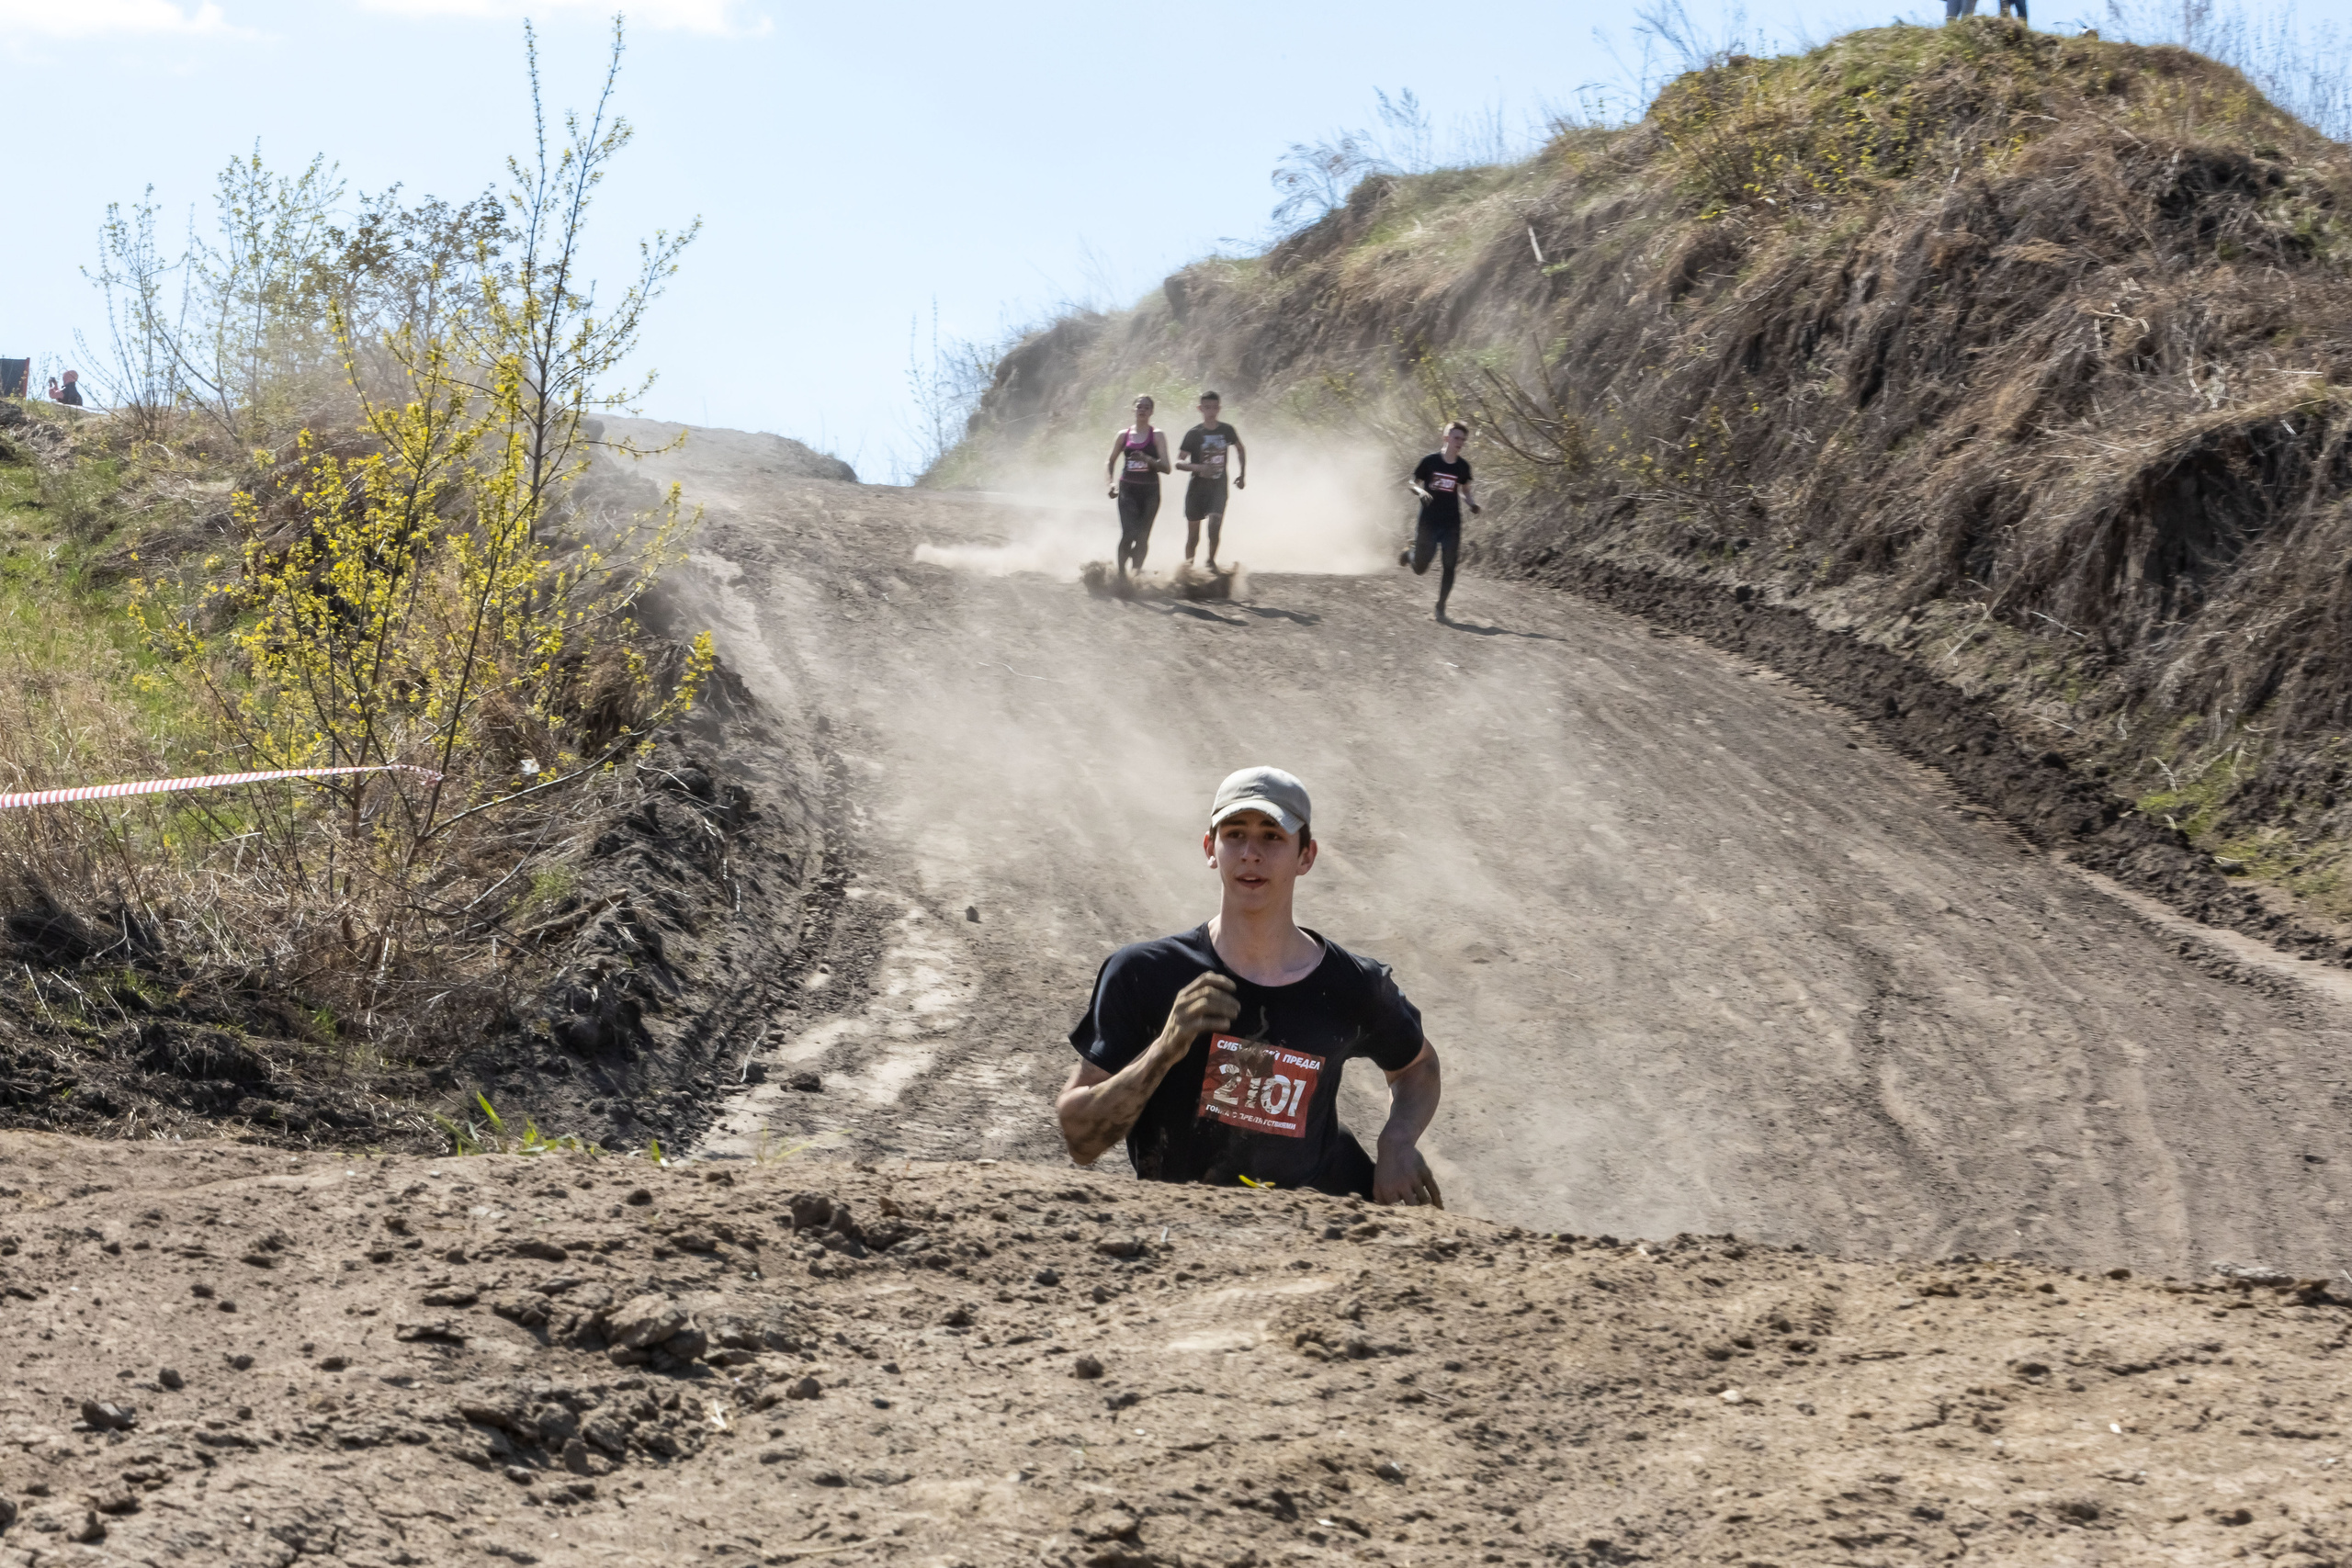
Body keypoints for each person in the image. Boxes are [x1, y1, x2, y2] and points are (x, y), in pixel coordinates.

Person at [1056, 766, 1444, 1204]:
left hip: (1324, 1238)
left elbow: (1417, 1067)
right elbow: (1080, 1139)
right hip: (1187, 1237)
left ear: (1306, 856)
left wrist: (1397, 1142)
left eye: (1272, 837)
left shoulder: (1352, 985)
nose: (1250, 854)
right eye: (1234, 834)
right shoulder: (1145, 974)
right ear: (1210, 848)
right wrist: (1164, 1050)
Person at [1399, 421, 1479, 621]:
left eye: (1463, 439)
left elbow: (1465, 491)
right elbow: (1412, 483)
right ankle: (1410, 552)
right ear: (1446, 438)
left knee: (1449, 564)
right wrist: (1420, 491)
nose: (1460, 442)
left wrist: (1472, 504)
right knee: (1420, 568)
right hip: (1428, 521)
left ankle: (1441, 607)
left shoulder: (1463, 467)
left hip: (1451, 523)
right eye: (1456, 438)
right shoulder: (1430, 461)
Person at [1174, 390, 1247, 569]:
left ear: (1219, 408)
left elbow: (1240, 448)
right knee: (1193, 537)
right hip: (1197, 487)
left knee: (1214, 528)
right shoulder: (1194, 433)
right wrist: (1199, 468)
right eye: (1207, 408)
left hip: (1218, 486)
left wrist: (1242, 474)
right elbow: (1178, 462)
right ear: (1200, 409)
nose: (1211, 411)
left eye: (1215, 407)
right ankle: (1188, 568)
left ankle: (1211, 562)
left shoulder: (1227, 430)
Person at [1103, 394, 1170, 578]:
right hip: (1128, 490)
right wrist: (1110, 484)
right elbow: (1109, 461)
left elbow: (1167, 468)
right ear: (1133, 409)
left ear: (1151, 412)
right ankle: (1122, 575)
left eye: (1146, 407)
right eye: (1139, 406)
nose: (1142, 409)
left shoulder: (1157, 435)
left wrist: (1146, 459)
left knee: (1142, 536)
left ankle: (1136, 574)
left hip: (1150, 491)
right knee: (1128, 533)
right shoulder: (1123, 435)